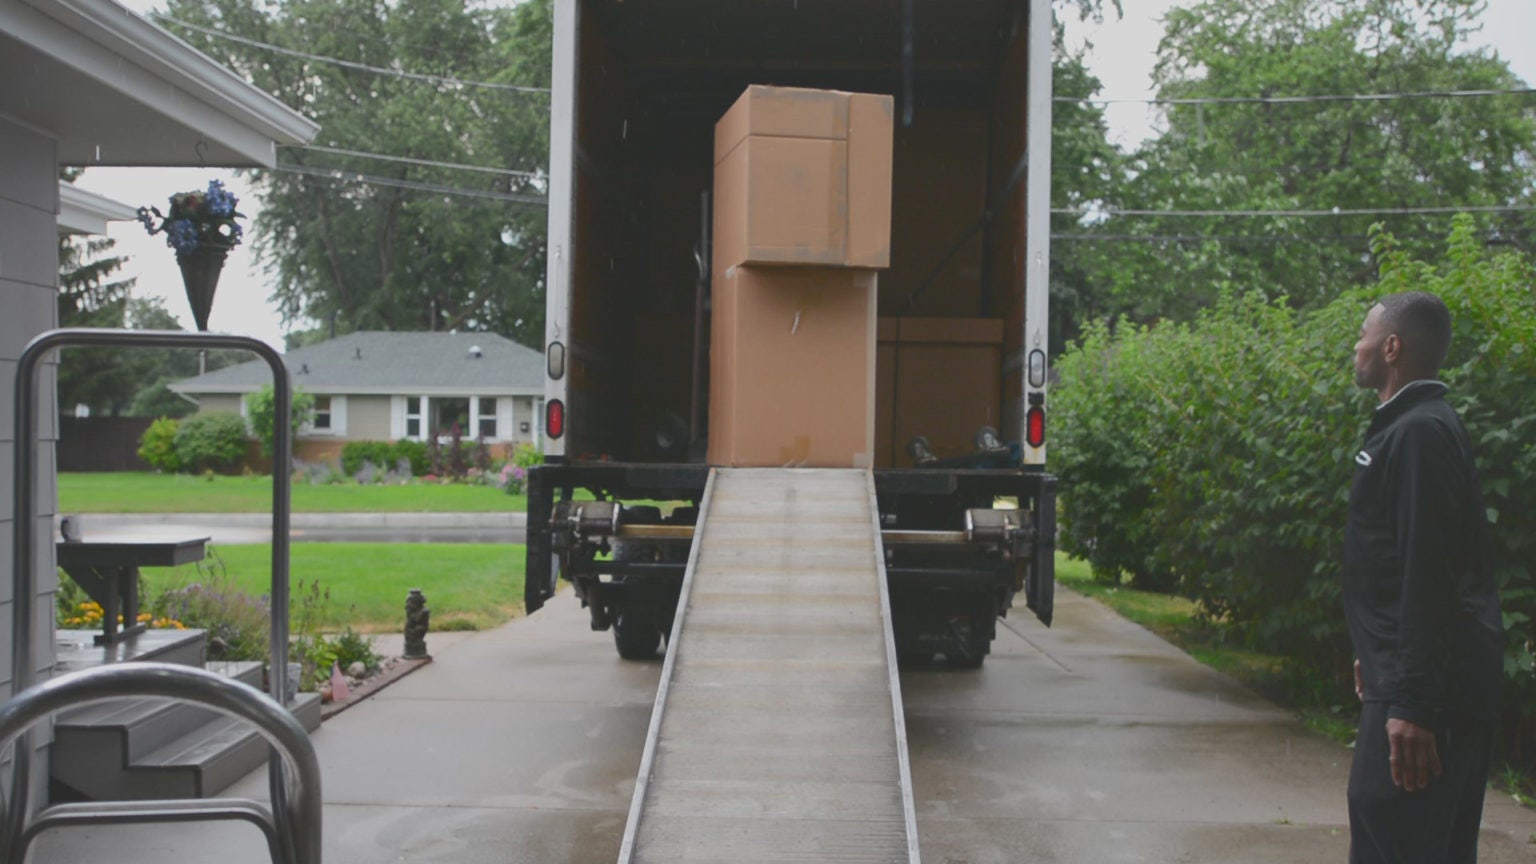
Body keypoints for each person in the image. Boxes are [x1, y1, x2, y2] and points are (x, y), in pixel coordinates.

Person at [1345, 291, 1503, 864]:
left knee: (1394, 834)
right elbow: (1397, 562)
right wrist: (1374, 645)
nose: (1355, 346)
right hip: (1409, 672)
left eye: (1363, 334)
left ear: (1391, 347)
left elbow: (1429, 571)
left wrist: (1412, 702)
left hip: (1428, 694)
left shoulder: (1418, 433)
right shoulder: (1414, 426)